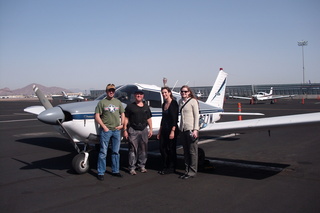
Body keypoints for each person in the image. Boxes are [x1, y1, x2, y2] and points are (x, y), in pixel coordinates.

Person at [95, 84, 125, 181]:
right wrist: (104, 127)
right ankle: (100, 172)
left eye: (112, 90)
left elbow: (122, 113)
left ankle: (115, 170)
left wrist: (122, 124)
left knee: (116, 152)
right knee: (103, 152)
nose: (111, 92)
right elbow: (97, 116)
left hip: (116, 130)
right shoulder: (102, 103)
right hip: (106, 131)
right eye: (109, 90)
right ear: (106, 91)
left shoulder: (118, 102)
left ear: (114, 91)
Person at [123, 89, 152, 175]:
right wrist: (125, 129)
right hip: (133, 129)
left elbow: (149, 118)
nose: (138, 96)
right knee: (132, 149)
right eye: (137, 94)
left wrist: (150, 129)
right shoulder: (130, 106)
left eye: (140, 94)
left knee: (144, 149)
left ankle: (142, 166)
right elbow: (126, 119)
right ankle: (132, 167)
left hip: (143, 129)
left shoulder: (146, 107)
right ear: (135, 96)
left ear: (143, 96)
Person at [178, 85, 199, 179]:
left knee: (192, 151)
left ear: (189, 92)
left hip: (190, 129)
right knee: (185, 151)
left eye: (185, 91)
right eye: (182, 91)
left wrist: (195, 129)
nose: (183, 93)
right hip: (183, 129)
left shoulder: (193, 101)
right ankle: (187, 170)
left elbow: (196, 116)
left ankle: (192, 171)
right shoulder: (180, 102)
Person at [157, 87, 179, 175]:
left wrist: (173, 131)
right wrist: (160, 130)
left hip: (172, 129)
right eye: (162, 93)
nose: (164, 94)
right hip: (164, 129)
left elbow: (175, 119)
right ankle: (165, 165)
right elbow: (163, 118)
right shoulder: (164, 104)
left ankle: (172, 167)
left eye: (165, 92)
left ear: (169, 93)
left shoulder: (174, 103)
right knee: (162, 148)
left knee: (171, 149)